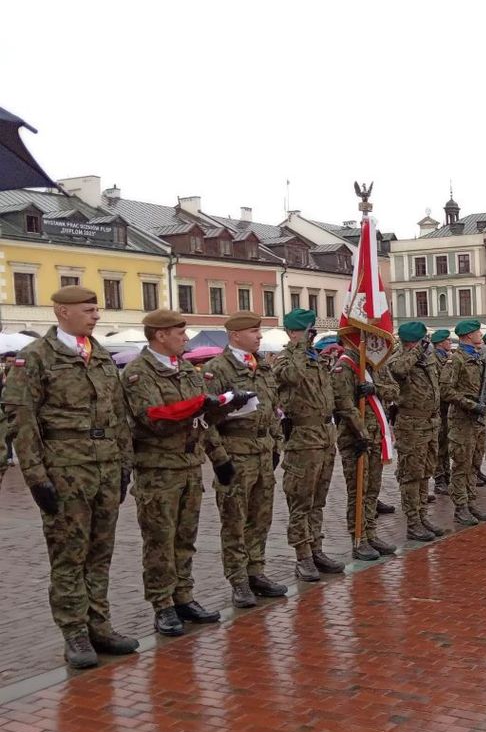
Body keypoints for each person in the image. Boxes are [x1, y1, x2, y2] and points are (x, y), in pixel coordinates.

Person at [1, 286, 138, 668]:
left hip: (106, 467)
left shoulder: (101, 357)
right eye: (88, 309)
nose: (96, 316)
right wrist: (36, 477)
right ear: (62, 311)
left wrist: (125, 464)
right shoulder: (36, 358)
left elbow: (119, 415)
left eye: (96, 309)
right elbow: (21, 420)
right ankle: (74, 632)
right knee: (68, 554)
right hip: (65, 471)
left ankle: (100, 625)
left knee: (100, 552)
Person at [121, 309, 239, 637]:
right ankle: (162, 604)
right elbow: (152, 419)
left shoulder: (187, 370)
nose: (185, 339)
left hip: (188, 466)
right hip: (158, 470)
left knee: (185, 538)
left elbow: (202, 420)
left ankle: (184, 596)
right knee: (160, 539)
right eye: (179, 333)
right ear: (160, 335)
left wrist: (220, 456)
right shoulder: (137, 373)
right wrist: (201, 405)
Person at [202, 311, 288, 608]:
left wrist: (276, 443)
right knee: (235, 521)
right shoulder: (217, 369)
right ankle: (238, 579)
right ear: (235, 335)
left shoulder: (263, 367)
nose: (259, 336)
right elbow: (205, 419)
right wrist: (219, 458)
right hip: (236, 454)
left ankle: (256, 571)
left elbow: (274, 409)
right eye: (253, 331)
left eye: (259, 331)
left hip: (263, 453)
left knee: (260, 517)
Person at [274, 308, 364, 581]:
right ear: (293, 332)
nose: (312, 336)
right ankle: (302, 557)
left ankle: (316, 548)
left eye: (313, 331)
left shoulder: (316, 360)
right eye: (308, 331)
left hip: (325, 437)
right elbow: (292, 377)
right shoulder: (284, 360)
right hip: (302, 440)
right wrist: (299, 345)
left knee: (318, 501)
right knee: (301, 501)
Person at [329, 337, 398, 561]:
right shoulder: (345, 366)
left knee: (372, 489)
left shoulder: (374, 367)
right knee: (358, 490)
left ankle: (370, 533)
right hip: (356, 439)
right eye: (370, 341)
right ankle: (358, 538)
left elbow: (394, 391)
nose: (376, 346)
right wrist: (362, 433)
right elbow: (345, 406)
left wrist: (374, 388)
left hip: (375, 437)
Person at [386, 320, 444, 541]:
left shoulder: (424, 358)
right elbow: (399, 371)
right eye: (422, 341)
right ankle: (412, 522)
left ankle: (421, 516)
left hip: (429, 424)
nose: (426, 345)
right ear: (413, 342)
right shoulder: (398, 357)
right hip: (411, 425)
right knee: (411, 475)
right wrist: (417, 351)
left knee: (425, 472)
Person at [441, 319, 486, 526]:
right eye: (477, 332)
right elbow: (446, 391)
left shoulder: (478, 358)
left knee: (474, 463)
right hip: (463, 420)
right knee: (462, 465)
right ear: (468, 336)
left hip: (478, 421)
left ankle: (471, 503)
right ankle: (460, 507)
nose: (481, 335)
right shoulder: (457, 360)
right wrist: (470, 404)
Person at [430, 329, 453, 496]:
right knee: (439, 445)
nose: (450, 343)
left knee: (445, 444)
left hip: (447, 409)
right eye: (448, 340)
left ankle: (447, 475)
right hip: (439, 408)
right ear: (440, 343)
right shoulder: (434, 359)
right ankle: (439, 479)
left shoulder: (447, 358)